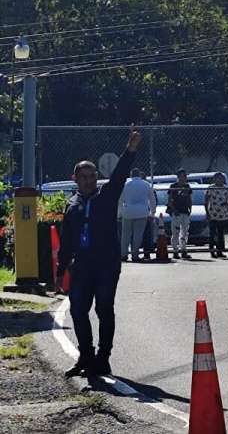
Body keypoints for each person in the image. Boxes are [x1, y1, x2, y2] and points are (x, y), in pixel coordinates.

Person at [56, 128, 141, 377]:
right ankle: (85, 356)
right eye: (83, 176)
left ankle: (103, 358)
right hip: (82, 266)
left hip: (106, 265)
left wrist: (130, 149)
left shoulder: (107, 196)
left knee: (104, 308)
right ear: (75, 179)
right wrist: (61, 272)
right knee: (78, 309)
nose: (89, 180)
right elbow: (67, 241)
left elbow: (120, 175)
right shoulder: (72, 206)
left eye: (92, 175)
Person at [119, 168, 156, 262]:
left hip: (128, 211)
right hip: (142, 212)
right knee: (138, 235)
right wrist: (152, 212)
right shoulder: (146, 184)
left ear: (131, 175)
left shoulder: (126, 184)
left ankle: (123, 254)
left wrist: (119, 213)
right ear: (139, 175)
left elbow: (120, 200)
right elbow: (152, 199)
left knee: (125, 234)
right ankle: (135, 255)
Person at [205, 172, 228, 258]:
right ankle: (212, 250)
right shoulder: (211, 188)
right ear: (214, 179)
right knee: (212, 233)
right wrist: (207, 212)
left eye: (221, 178)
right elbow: (206, 200)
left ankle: (219, 251)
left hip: (223, 214)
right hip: (213, 213)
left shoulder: (226, 188)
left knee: (220, 233)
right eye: (218, 178)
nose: (220, 180)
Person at [168, 169, 193, 259]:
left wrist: (190, 208)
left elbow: (189, 199)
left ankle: (183, 249)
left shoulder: (187, 186)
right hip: (177, 212)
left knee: (185, 231)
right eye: (183, 176)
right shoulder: (173, 186)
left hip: (185, 211)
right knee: (175, 231)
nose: (185, 178)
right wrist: (173, 209)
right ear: (178, 177)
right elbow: (170, 200)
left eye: (185, 176)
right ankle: (175, 250)